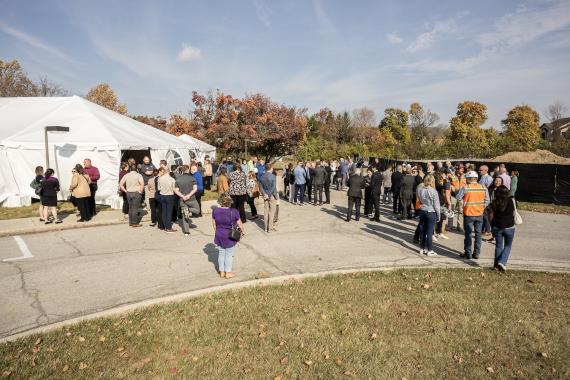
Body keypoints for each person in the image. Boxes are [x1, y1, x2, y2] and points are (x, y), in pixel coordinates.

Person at [455, 171, 490, 260]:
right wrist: (481, 207)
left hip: (469, 214)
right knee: (478, 234)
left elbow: (458, 197)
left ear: (469, 179)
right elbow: (487, 201)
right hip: (479, 214)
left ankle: (468, 253)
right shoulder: (483, 187)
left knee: (468, 234)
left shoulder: (466, 187)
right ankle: (477, 253)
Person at [212, 193, 245, 279]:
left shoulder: (215, 211)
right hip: (230, 235)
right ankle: (228, 272)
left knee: (221, 253)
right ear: (230, 202)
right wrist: (242, 231)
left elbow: (214, 223)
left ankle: (222, 271)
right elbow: (240, 224)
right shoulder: (234, 211)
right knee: (229, 254)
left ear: (220, 201)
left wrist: (217, 232)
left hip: (219, 234)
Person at [489, 186, 516, 272]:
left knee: (498, 246)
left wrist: (491, 226)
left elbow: (490, 214)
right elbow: (513, 212)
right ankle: (502, 262)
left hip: (497, 226)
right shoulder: (510, 201)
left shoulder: (494, 202)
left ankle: (496, 266)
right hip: (510, 227)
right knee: (508, 246)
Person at [417, 175, 441, 257]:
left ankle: (422, 248)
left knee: (422, 231)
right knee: (429, 232)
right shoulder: (434, 191)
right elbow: (436, 205)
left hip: (423, 210)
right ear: (432, 181)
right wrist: (438, 214)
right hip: (431, 211)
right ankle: (430, 250)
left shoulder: (420, 190)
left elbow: (420, 200)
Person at [174, 165, 200, 236]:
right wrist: (189, 195)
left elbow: (176, 190)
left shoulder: (178, 179)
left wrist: (182, 196)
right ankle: (188, 209)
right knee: (197, 210)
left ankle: (186, 232)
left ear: (182, 170)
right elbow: (195, 189)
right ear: (188, 170)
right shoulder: (192, 178)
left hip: (182, 199)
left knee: (184, 216)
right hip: (192, 199)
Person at [259, 164, 279, 232]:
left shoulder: (261, 177)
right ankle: (270, 228)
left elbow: (260, 187)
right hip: (272, 195)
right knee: (272, 211)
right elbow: (274, 187)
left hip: (265, 196)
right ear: (271, 168)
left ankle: (265, 227)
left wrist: (264, 194)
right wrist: (269, 194)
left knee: (266, 211)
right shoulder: (273, 176)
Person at [158, 167, 177, 233]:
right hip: (170, 195)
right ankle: (168, 227)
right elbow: (174, 189)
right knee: (169, 212)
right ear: (169, 171)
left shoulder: (160, 179)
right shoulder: (172, 179)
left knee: (164, 211)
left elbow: (159, 188)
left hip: (162, 195)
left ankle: (165, 226)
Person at [435, 170, 451, 240]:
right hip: (437, 202)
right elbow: (444, 188)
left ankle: (439, 233)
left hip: (441, 202)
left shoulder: (441, 182)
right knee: (436, 218)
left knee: (441, 218)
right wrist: (446, 179)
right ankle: (432, 234)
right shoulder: (436, 182)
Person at [450, 163, 466, 232]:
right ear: (457, 169)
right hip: (453, 195)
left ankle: (459, 226)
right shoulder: (452, 176)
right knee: (451, 211)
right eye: (461, 168)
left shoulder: (465, 176)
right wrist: (453, 189)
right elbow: (449, 185)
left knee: (461, 211)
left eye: (463, 168)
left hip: (461, 196)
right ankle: (450, 226)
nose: (463, 169)